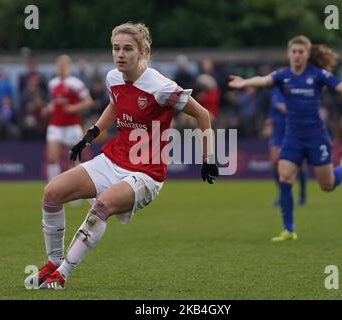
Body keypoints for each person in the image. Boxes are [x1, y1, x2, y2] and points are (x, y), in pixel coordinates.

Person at [26, 22, 219, 290]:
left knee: (101, 206)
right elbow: (116, 104)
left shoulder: (161, 87)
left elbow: (202, 114)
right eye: (116, 48)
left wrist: (208, 157)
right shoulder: (113, 77)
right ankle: (52, 262)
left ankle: (63, 274)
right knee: (51, 193)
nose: (120, 54)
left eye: (127, 49)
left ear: (141, 52)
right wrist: (92, 133)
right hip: (113, 159)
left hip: (146, 173)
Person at [229, 35, 342, 241]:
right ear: (288, 54)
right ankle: (288, 229)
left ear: (307, 54)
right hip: (293, 136)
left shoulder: (318, 75)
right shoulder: (283, 75)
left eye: (301, 52)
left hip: (316, 137)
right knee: (285, 176)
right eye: (293, 51)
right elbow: (263, 80)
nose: (297, 55)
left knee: (327, 186)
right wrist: (243, 83)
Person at [42, 55, 93, 182]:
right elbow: (54, 102)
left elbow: (88, 101)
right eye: (59, 66)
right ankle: (53, 189)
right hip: (56, 124)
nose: (61, 69)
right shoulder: (52, 83)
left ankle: (74, 192)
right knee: (52, 157)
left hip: (72, 125)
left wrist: (74, 107)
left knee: (73, 159)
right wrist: (49, 108)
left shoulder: (75, 83)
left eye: (64, 66)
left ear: (68, 67)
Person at [268, 87, 307, 206]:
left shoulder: (298, 89)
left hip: (295, 129)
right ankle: (282, 195)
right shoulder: (276, 90)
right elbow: (280, 107)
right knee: (275, 163)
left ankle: (302, 195)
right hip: (278, 132)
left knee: (300, 164)